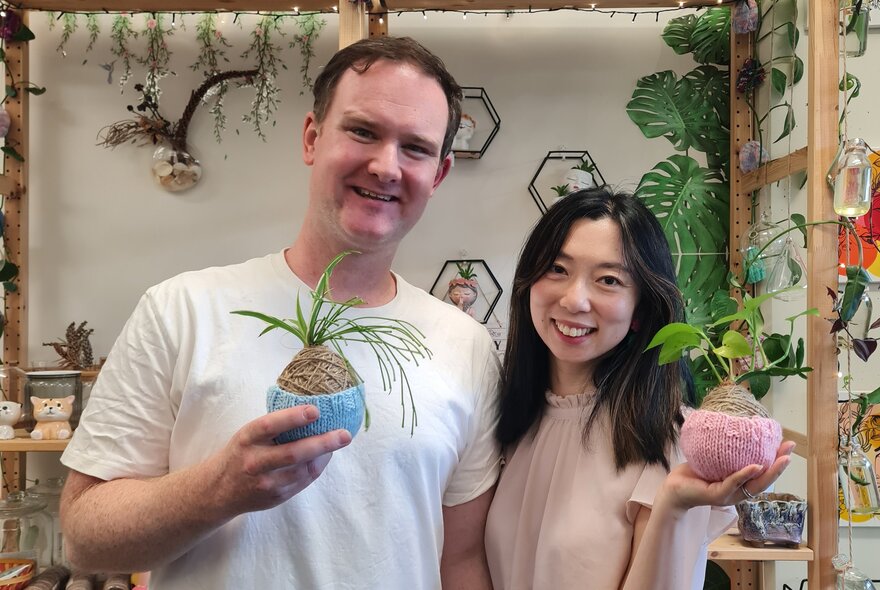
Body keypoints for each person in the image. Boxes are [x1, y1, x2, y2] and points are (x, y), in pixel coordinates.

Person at [59, 37, 500, 590]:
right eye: (363, 131)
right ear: (313, 137)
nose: (386, 165)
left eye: (415, 148)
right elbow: (83, 537)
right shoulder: (181, 311)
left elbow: (459, 562)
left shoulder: (466, 346)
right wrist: (216, 489)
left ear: (438, 174)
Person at [484, 187, 795, 589]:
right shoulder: (510, 419)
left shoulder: (670, 439)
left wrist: (673, 505)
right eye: (558, 269)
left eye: (608, 280)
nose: (575, 299)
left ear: (640, 312)